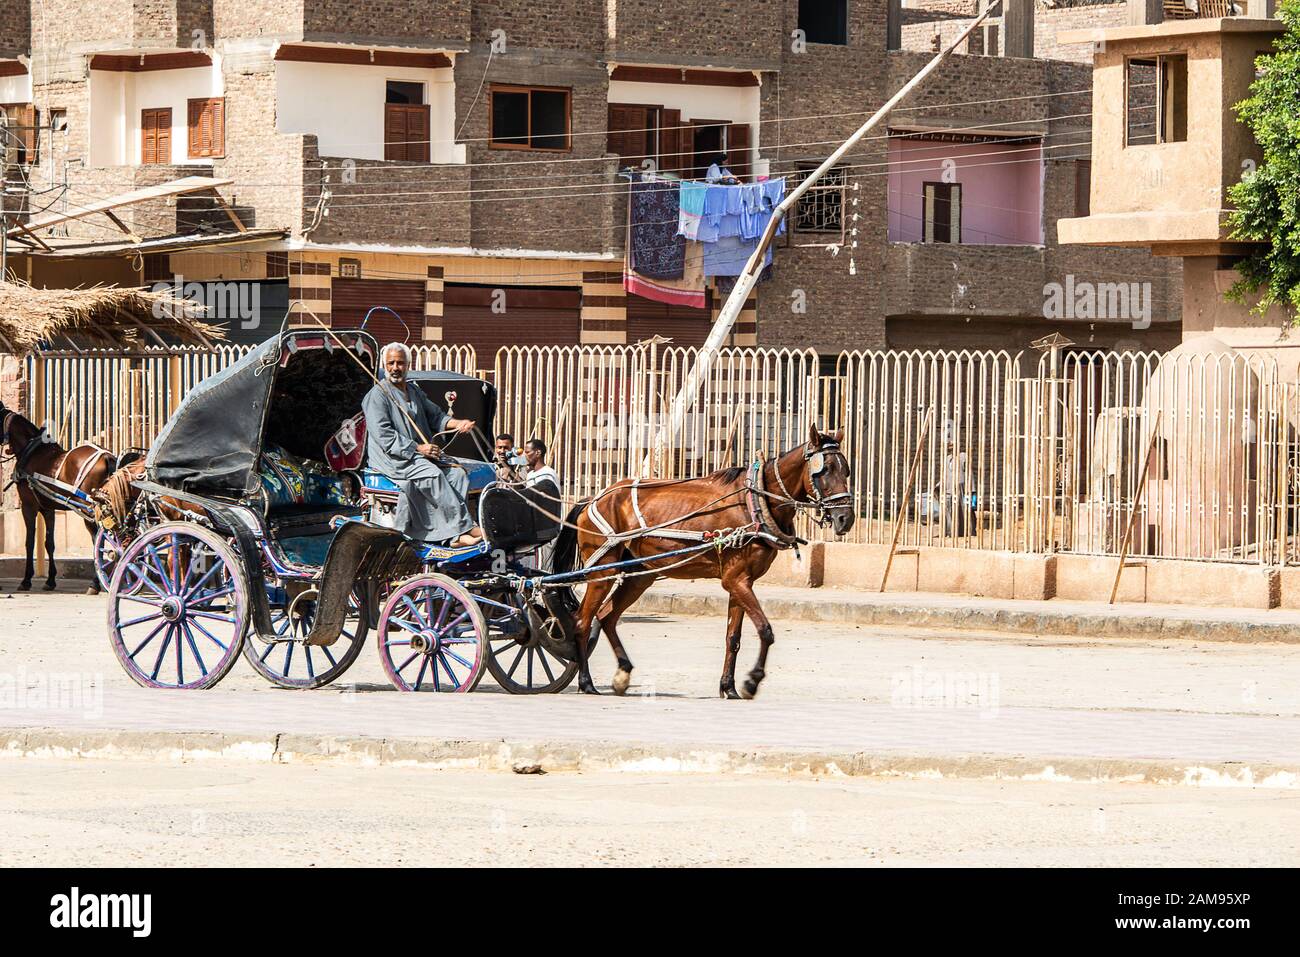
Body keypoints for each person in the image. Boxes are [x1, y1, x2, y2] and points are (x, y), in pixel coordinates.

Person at [362, 342, 483, 548]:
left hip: (419, 455)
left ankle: (451, 537)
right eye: (390, 363)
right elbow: (384, 436)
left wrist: (458, 423)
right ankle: (464, 528)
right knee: (432, 475)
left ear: (408, 365)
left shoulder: (414, 390)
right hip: (393, 458)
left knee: (457, 475)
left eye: (400, 363)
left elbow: (436, 416)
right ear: (385, 365)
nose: (395, 368)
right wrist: (418, 448)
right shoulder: (377, 395)